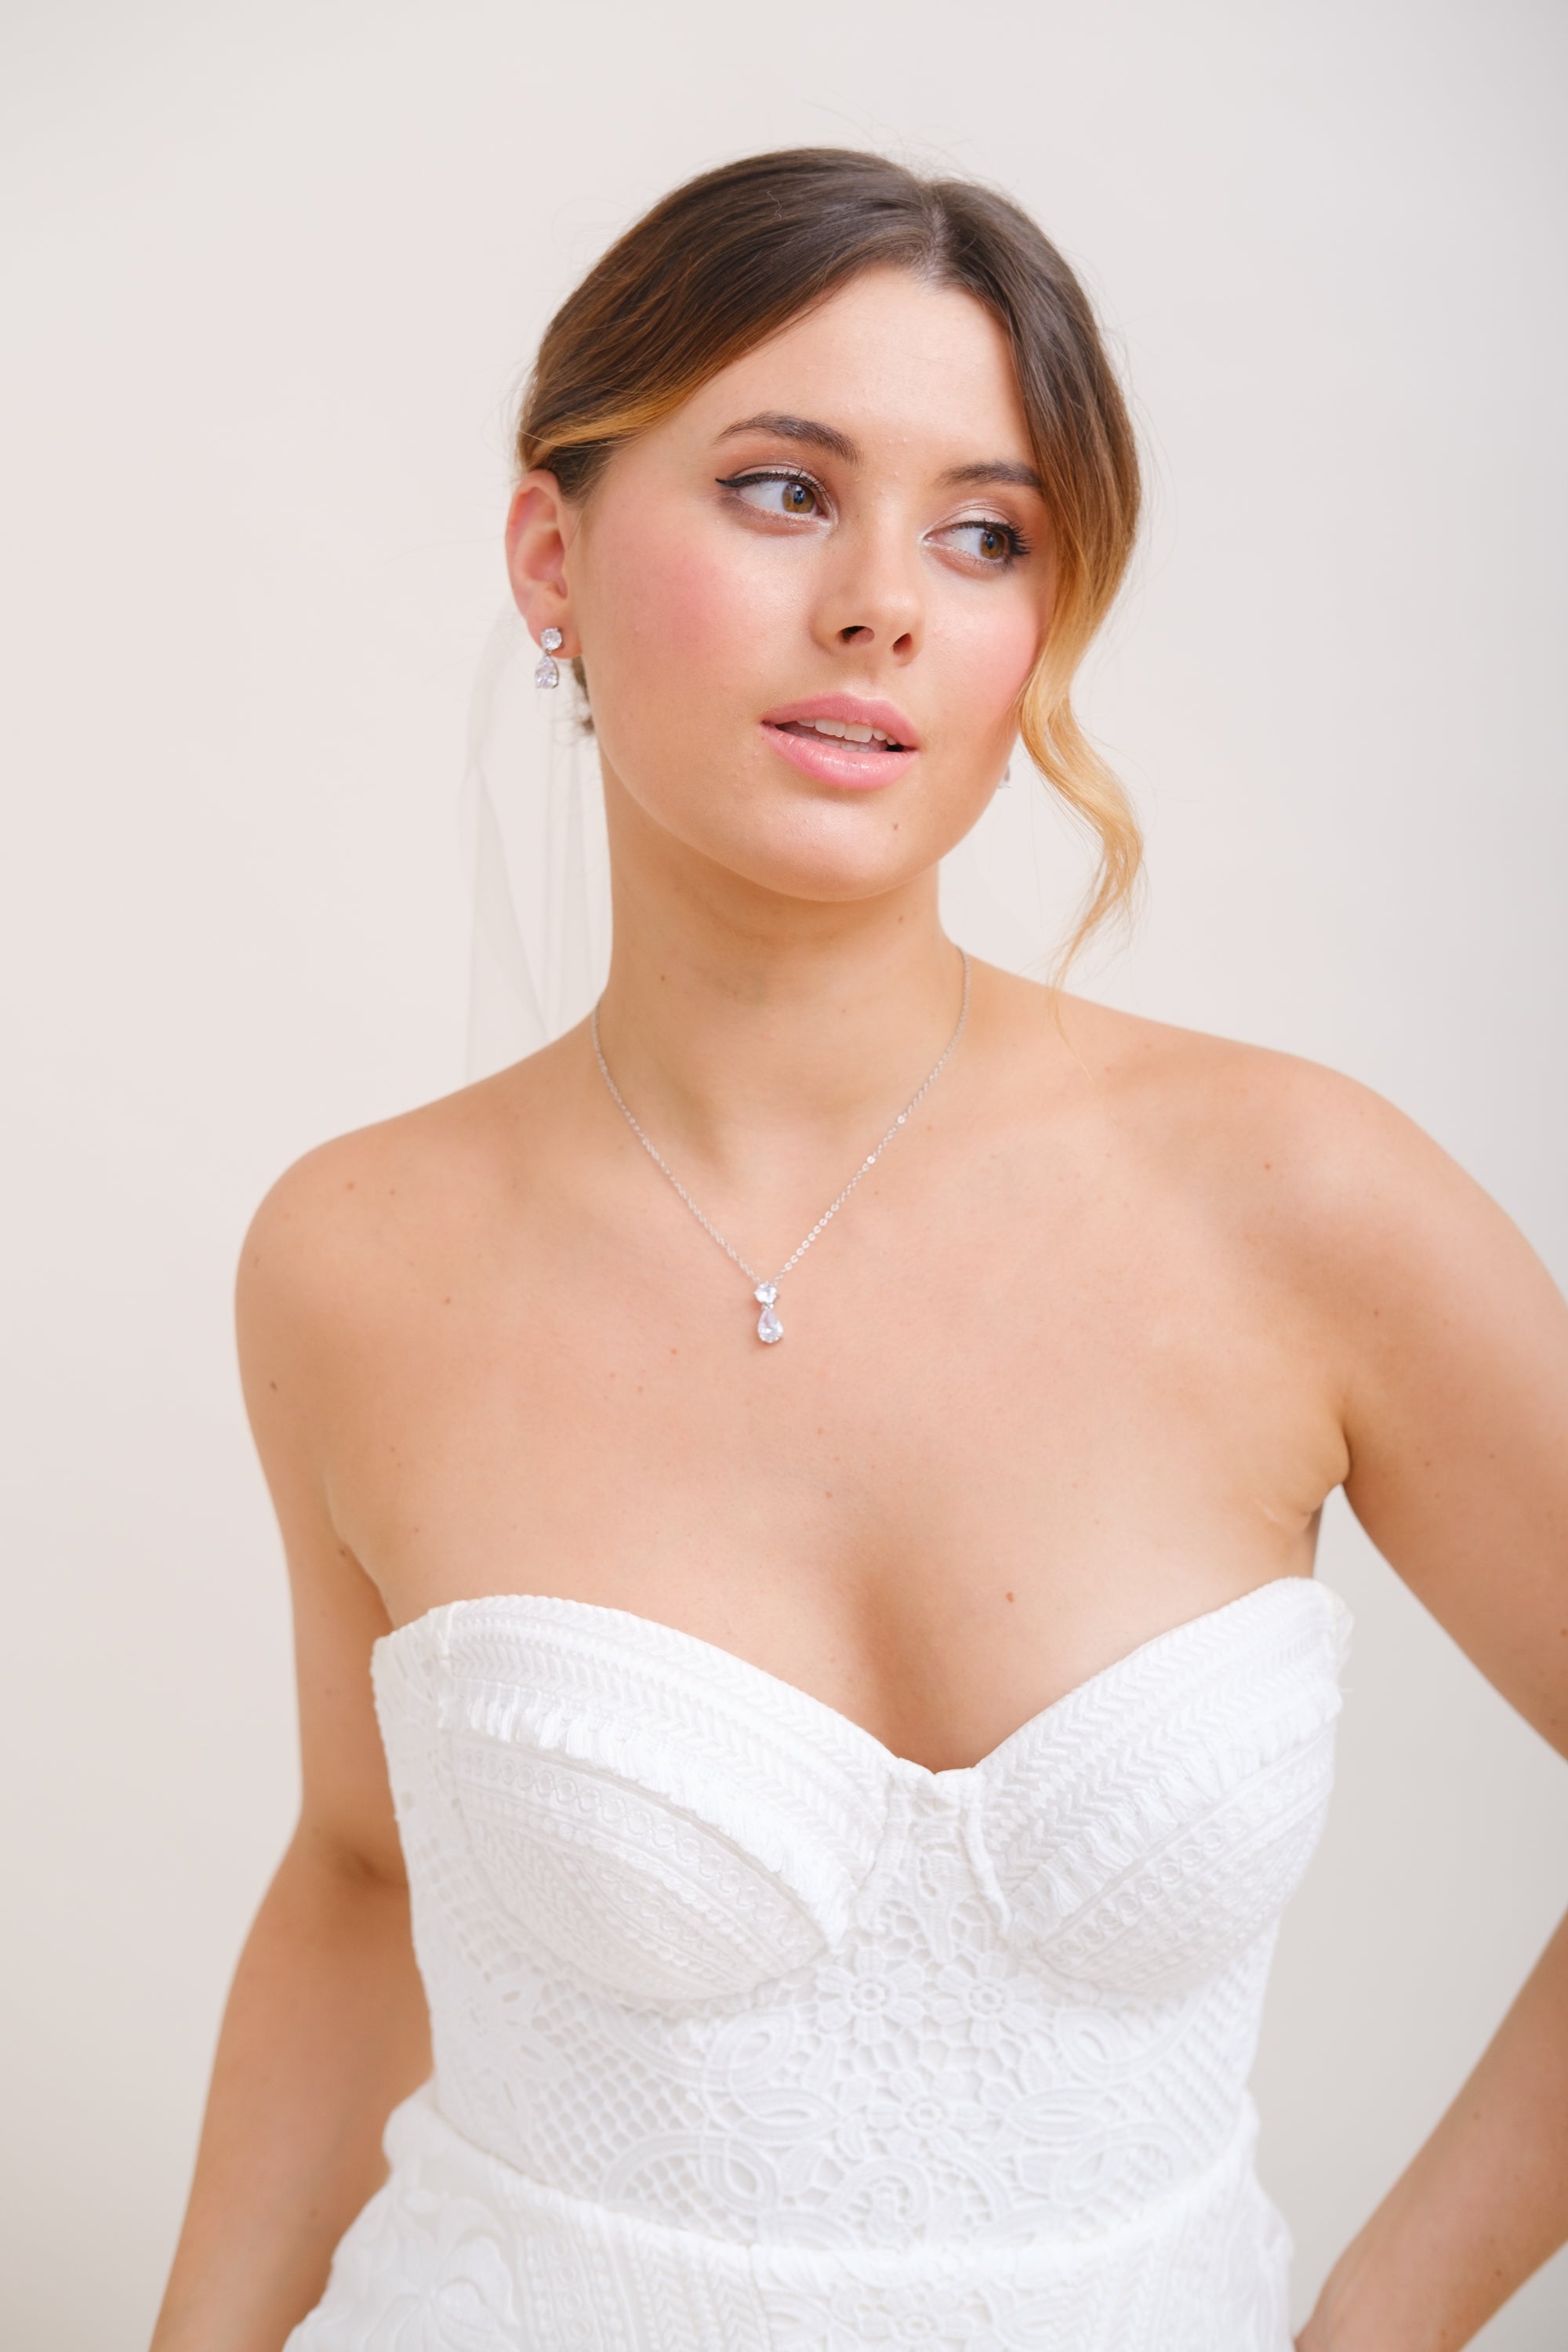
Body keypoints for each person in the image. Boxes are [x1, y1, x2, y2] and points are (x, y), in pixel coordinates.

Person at [151, 149, 1568, 2352]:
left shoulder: (1307, 1204)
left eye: (987, 533)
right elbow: (359, 1874)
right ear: (552, 558)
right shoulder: (355, 1257)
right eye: (783, 490)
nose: (885, 603)